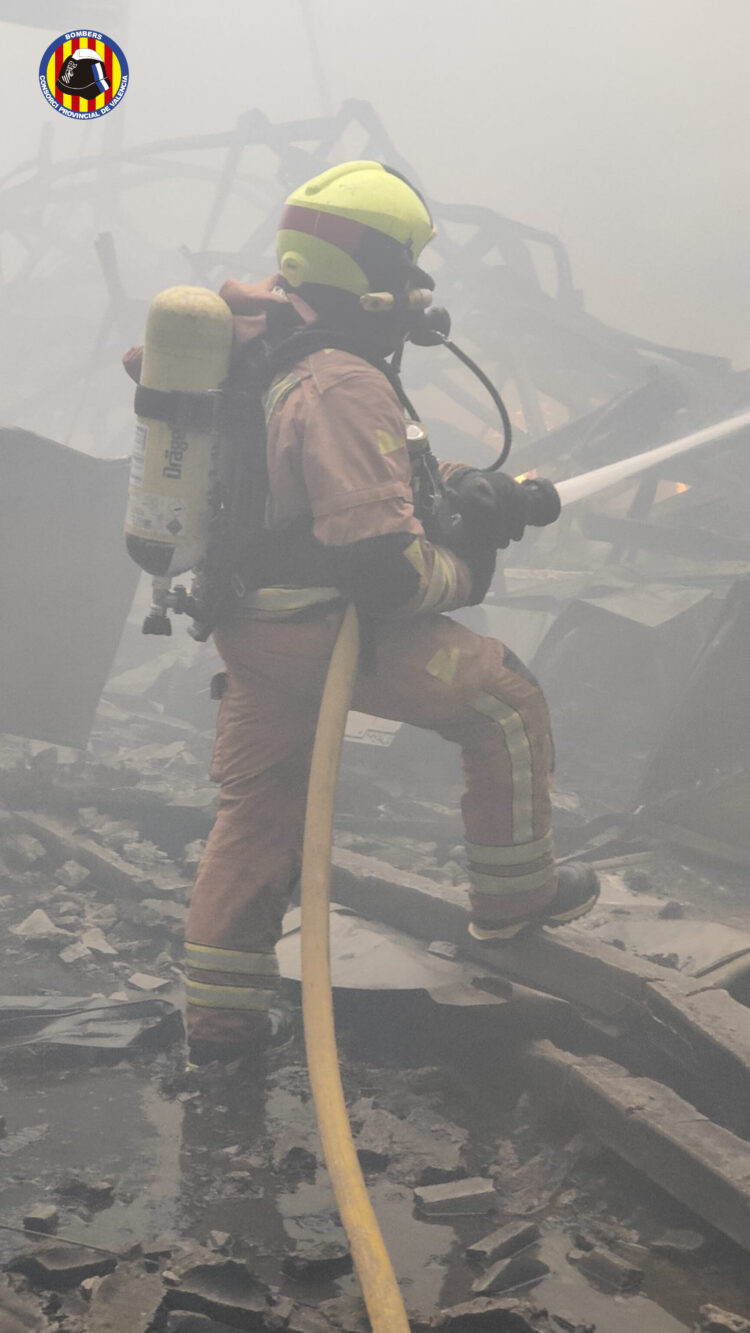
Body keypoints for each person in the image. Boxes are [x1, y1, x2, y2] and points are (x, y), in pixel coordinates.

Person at [127, 161, 599, 1067]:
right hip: (325, 631)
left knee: (258, 813)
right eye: (411, 267)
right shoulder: (344, 379)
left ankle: (220, 1031)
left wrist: (477, 487)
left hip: (254, 627)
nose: (422, 290)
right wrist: (471, 556)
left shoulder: (267, 342)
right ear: (372, 274)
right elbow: (385, 570)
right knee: (504, 703)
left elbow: (338, 480)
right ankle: (512, 902)